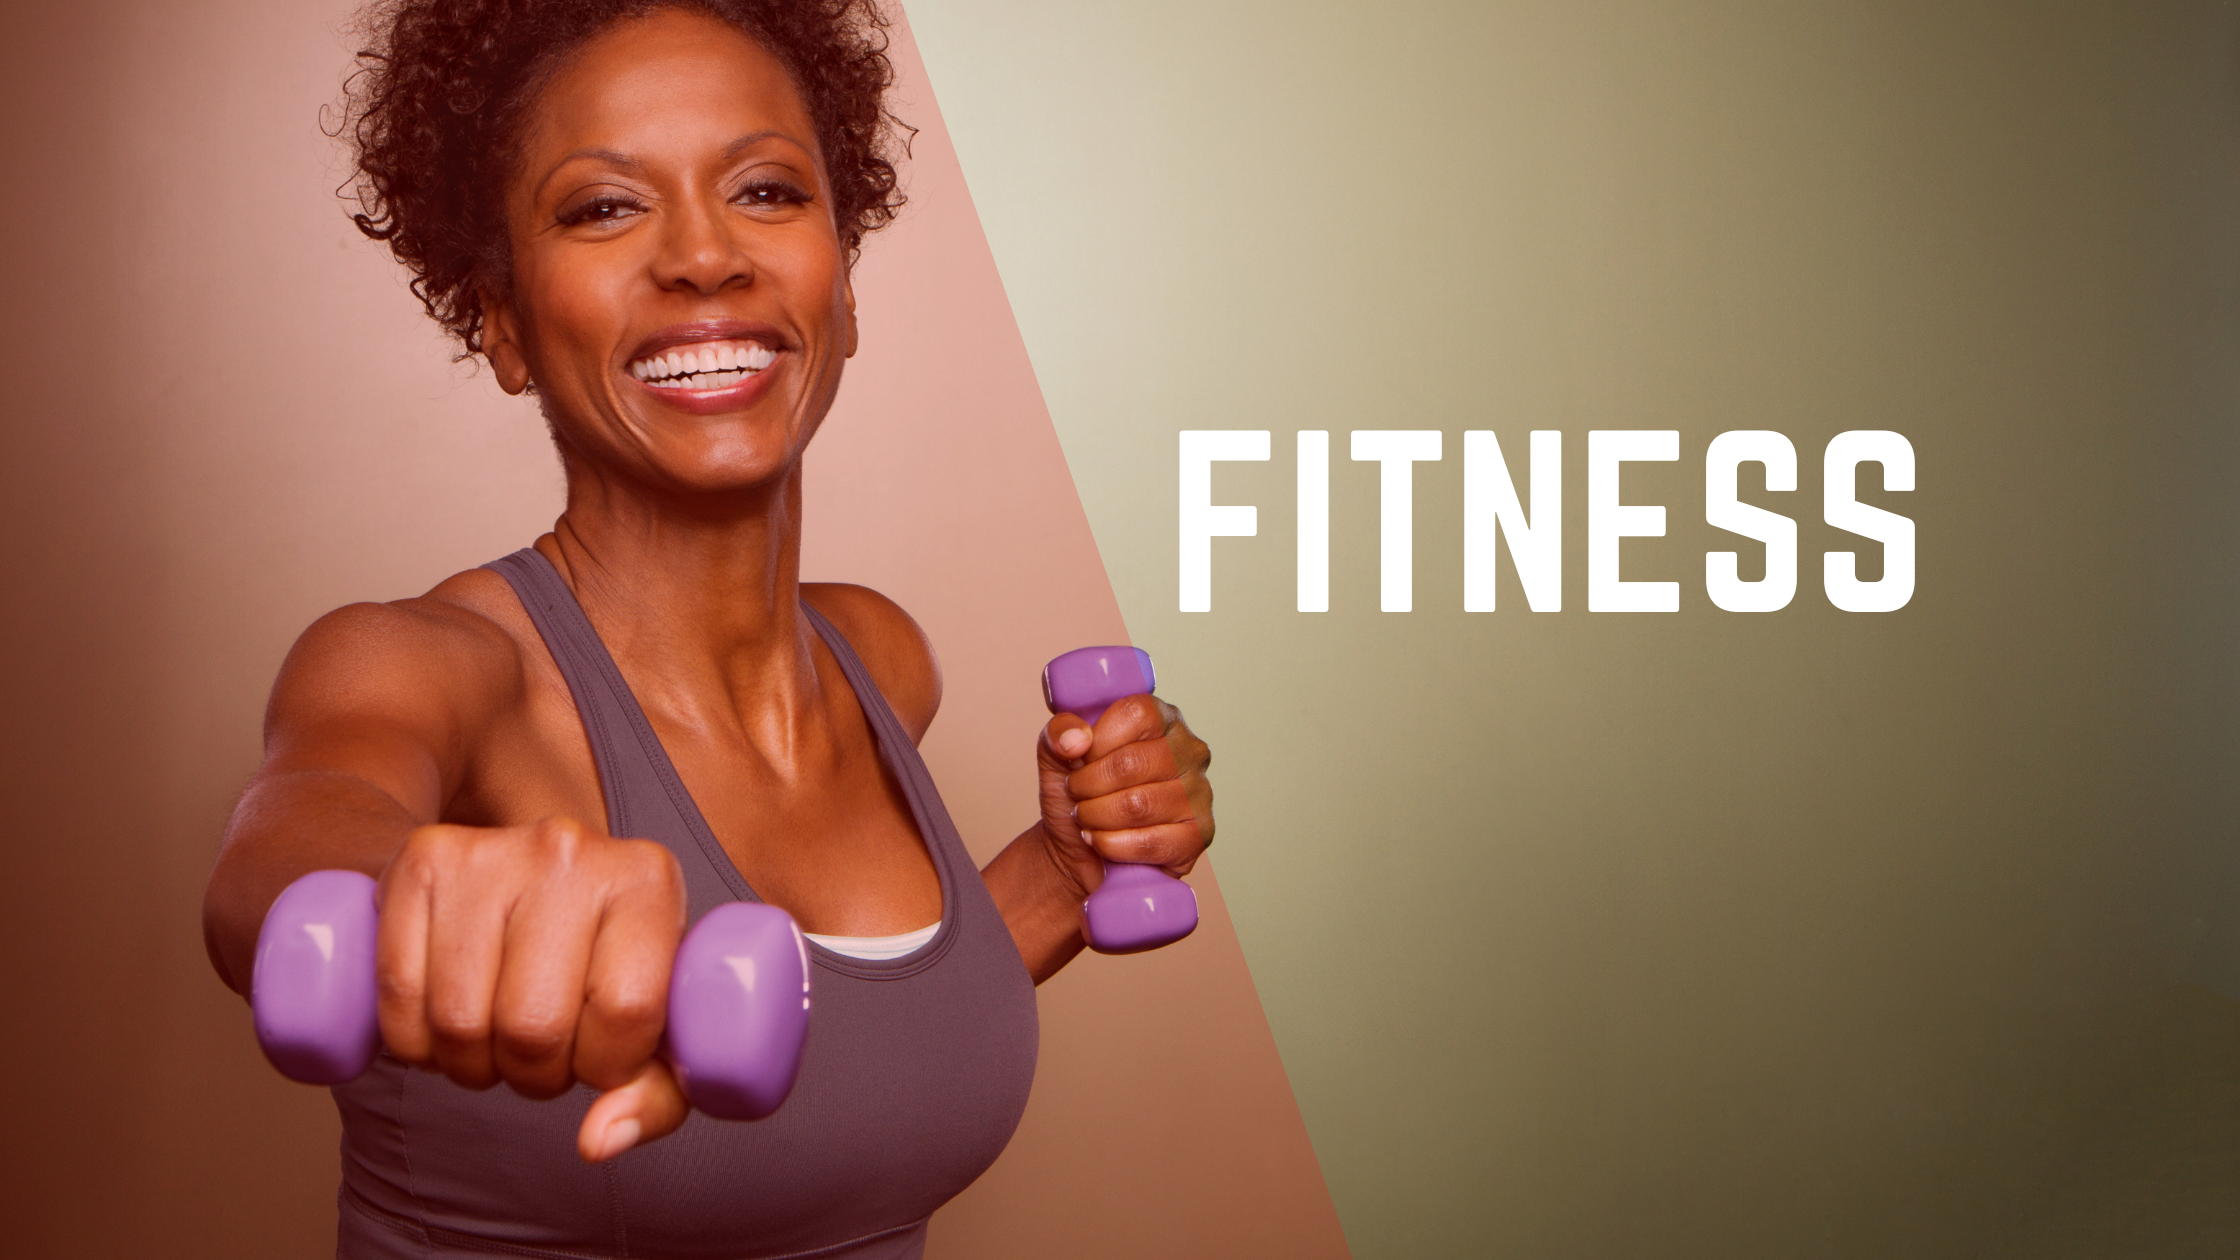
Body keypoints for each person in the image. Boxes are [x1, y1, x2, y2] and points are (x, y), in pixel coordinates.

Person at [198, 2, 1216, 1256]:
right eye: (605, 207)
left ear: (841, 291)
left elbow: (835, 1037)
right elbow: (278, 858)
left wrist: (1061, 875)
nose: (704, 257)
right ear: (503, 324)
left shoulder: (878, 660)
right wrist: (412, 900)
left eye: (767, 191)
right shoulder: (429, 665)